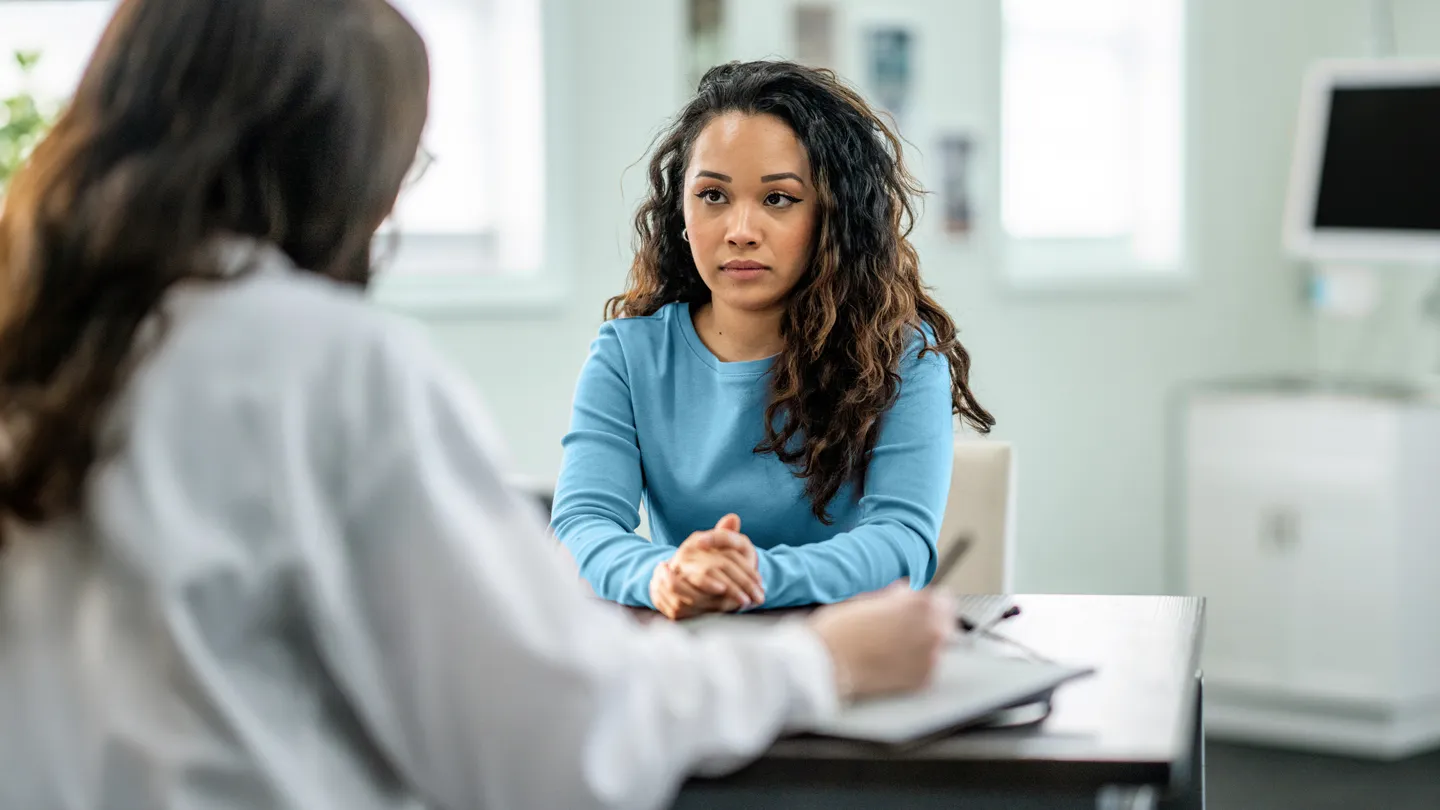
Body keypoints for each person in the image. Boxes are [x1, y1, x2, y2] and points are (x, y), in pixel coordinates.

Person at [0, 3, 956, 810]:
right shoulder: (332, 367)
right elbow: (552, 735)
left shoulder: (38, 342)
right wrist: (816, 659)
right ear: (325, 164)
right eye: (399, 169)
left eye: (779, 199)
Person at [552, 60, 994, 619]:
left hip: (847, 648)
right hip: (692, 653)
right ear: (680, 211)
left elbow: (901, 541)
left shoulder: (902, 356)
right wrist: (665, 577)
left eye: (778, 198)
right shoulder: (626, 355)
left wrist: (753, 578)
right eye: (713, 195)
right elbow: (581, 525)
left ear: (833, 215)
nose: (740, 231)